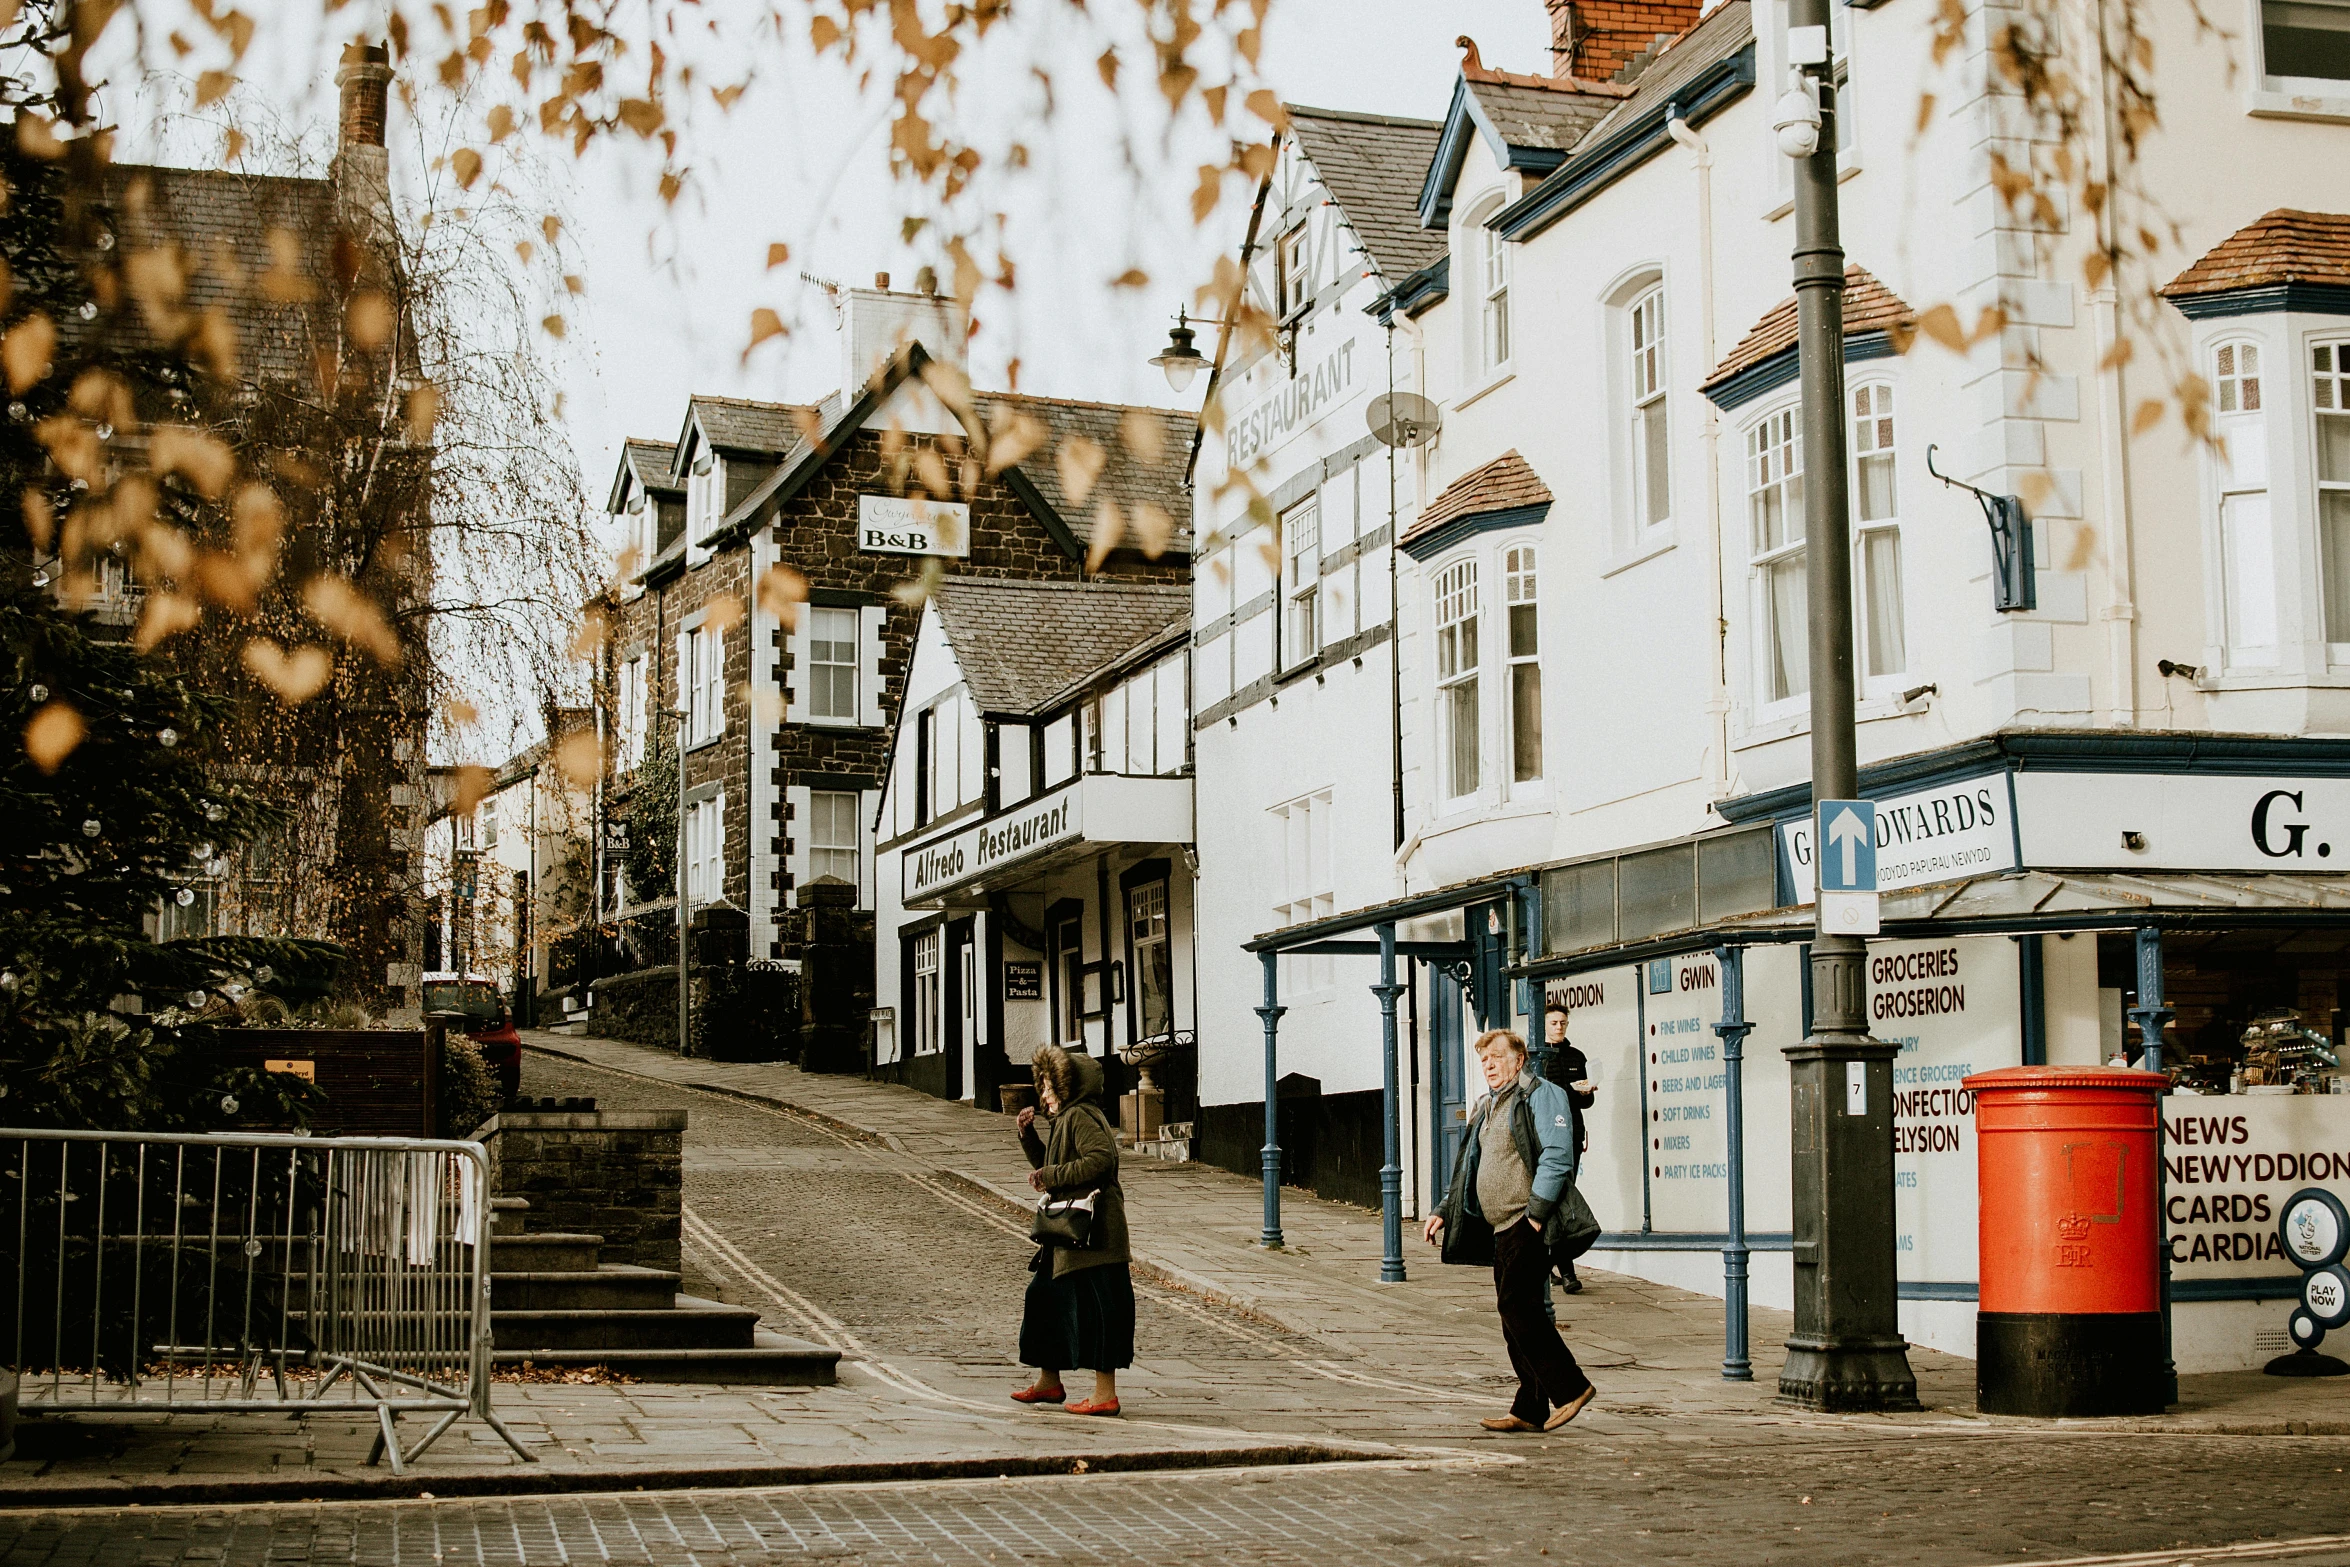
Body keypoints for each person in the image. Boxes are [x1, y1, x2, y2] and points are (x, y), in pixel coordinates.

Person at [1423, 1027, 1597, 1433]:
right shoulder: (1488, 1106)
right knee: (1512, 1313)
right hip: (1502, 1225)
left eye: (1497, 1058)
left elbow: (1558, 1153)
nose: (1489, 1067)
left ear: (1519, 1060)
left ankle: (1571, 1388)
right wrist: (1445, 1209)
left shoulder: (1540, 1094)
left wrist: (1536, 1213)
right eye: (1484, 1061)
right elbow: (1469, 1167)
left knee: (1518, 1306)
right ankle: (1530, 1406)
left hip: (1528, 1220)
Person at [1011, 1043, 1133, 1416]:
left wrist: (1050, 1175)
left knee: (1100, 1310)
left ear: (1068, 1086)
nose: (1044, 1095)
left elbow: (1100, 1160)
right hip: (1068, 1233)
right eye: (1043, 1087)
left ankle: (1104, 1395)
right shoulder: (1066, 1120)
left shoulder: (1081, 1115)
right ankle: (1050, 1382)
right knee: (1044, 1299)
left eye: (1049, 1087)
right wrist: (1028, 1137)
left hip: (1095, 1235)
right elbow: (1053, 1167)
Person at [1542, 1003, 1599, 1294]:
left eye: (1563, 1022)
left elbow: (1585, 1103)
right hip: (1546, 1137)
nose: (1559, 1027)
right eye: (1554, 1022)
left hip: (1572, 1134)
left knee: (1561, 1197)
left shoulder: (1577, 1056)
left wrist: (1587, 1093)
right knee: (1555, 1197)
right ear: (1544, 1024)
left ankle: (1548, 1263)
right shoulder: (1537, 1058)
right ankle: (1566, 1270)